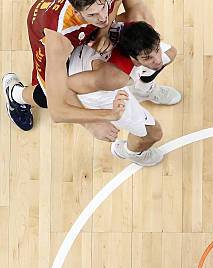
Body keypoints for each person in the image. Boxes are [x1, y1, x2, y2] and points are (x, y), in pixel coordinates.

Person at [2, 0, 170, 142]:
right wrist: (96, 121)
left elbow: (133, 8)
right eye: (93, 14)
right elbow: (58, 111)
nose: (103, 17)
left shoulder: (100, 15)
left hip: (87, 30)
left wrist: (103, 33)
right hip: (46, 29)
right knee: (50, 95)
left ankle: (142, 88)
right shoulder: (58, 39)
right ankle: (16, 95)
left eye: (103, 5)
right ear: (76, 10)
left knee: (141, 31)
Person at [64, 21, 180, 165]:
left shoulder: (136, 21)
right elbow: (65, 87)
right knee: (153, 133)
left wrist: (105, 30)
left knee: (170, 53)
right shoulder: (114, 78)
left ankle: (143, 91)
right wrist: (91, 124)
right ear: (132, 57)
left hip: (101, 66)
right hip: (98, 93)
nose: (157, 60)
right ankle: (130, 152)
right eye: (147, 58)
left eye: (157, 49)